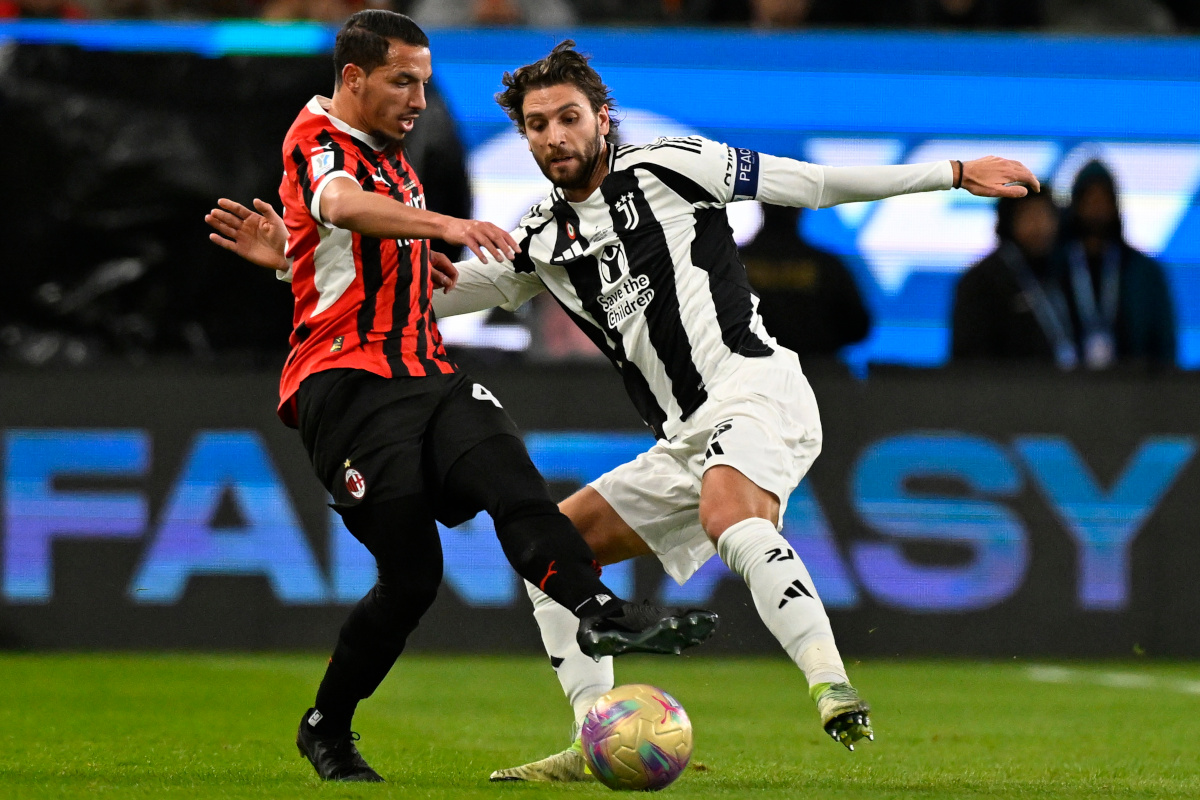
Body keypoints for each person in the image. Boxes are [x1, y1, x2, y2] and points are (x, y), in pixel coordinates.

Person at [215, 39, 1039, 782]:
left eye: (568, 118)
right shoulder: (542, 238)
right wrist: (295, 270)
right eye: (537, 126)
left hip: (756, 390)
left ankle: (833, 689)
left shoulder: (674, 166)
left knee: (731, 514)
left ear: (602, 119)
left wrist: (954, 172)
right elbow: (427, 296)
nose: (553, 138)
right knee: (555, 557)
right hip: (682, 436)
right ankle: (595, 735)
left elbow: (813, 184)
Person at [205, 14, 718, 783]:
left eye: (424, 79)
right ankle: (326, 727)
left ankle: (601, 614)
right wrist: (442, 227)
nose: (418, 97)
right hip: (346, 389)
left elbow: (342, 249)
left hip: (426, 371)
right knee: (411, 579)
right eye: (401, 80)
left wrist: (377, 265)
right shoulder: (319, 137)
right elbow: (340, 206)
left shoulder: (393, 158)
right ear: (353, 80)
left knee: (513, 479)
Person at [1052, 160, 1176, 369]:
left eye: (1103, 201)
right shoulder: (1054, 267)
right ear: (1075, 205)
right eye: (1089, 200)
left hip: (1135, 389)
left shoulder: (1143, 271)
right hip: (1062, 389)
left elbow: (1164, 340)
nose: (1096, 209)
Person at [951, 191, 1075, 366]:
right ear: (1009, 220)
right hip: (1005, 389)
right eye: (1030, 215)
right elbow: (970, 357)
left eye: (1045, 215)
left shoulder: (1063, 271)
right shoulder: (981, 281)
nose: (1040, 225)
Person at [740, 205, 871, 358]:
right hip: (815, 378)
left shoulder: (728, 263)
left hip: (743, 376)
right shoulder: (826, 267)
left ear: (761, 203)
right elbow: (858, 327)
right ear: (801, 207)